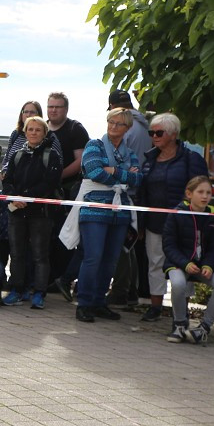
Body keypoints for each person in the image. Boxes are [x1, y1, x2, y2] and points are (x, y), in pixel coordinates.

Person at [66, 108, 141, 323]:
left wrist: (112, 171)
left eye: (119, 124)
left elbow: (138, 179)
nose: (113, 127)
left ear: (128, 128)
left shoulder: (130, 152)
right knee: (93, 256)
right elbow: (93, 171)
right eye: (111, 122)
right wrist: (122, 175)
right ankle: (84, 303)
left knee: (111, 259)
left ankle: (99, 302)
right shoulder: (94, 145)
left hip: (120, 212)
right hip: (94, 209)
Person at [137, 113, 207, 322]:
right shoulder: (149, 159)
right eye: (152, 132)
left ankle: (181, 311)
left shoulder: (191, 159)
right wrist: (141, 222)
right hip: (154, 222)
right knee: (155, 263)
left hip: (183, 224)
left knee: (184, 264)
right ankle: (155, 307)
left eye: (159, 132)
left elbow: (201, 189)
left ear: (173, 134)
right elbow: (143, 192)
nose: (154, 136)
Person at [0, 116, 62, 310]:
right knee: (17, 254)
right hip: (17, 212)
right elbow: (7, 180)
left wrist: (26, 196)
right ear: (25, 131)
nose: (34, 132)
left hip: (40, 214)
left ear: (44, 133)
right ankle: (17, 289)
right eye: (30, 129)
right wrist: (14, 197)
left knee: (40, 255)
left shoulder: (51, 155)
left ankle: (39, 293)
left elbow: (50, 182)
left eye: (38, 130)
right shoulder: (17, 154)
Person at [162, 176, 214, 343]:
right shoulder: (176, 213)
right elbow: (169, 245)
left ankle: (204, 328)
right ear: (189, 194)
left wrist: (209, 265)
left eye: (208, 193)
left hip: (203, 265)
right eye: (200, 192)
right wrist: (185, 263)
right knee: (178, 284)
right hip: (179, 263)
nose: (205, 196)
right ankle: (179, 325)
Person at [106, 89, 152, 309]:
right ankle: (131, 291)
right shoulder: (143, 127)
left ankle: (121, 292)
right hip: (137, 190)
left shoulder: (128, 132)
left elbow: (119, 166)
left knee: (122, 244)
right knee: (130, 244)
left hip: (125, 192)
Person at [46, 91, 91, 297]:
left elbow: (80, 161)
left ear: (66, 109)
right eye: (51, 106)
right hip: (44, 192)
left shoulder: (75, 129)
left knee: (65, 237)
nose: (53, 110)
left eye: (58, 107)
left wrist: (57, 176)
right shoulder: (42, 128)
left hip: (68, 191)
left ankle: (62, 278)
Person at [0, 101, 62, 180]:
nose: (28, 115)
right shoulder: (16, 134)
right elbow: (7, 157)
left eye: (32, 112)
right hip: (14, 185)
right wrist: (4, 171)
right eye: (25, 112)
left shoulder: (50, 137)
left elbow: (58, 163)